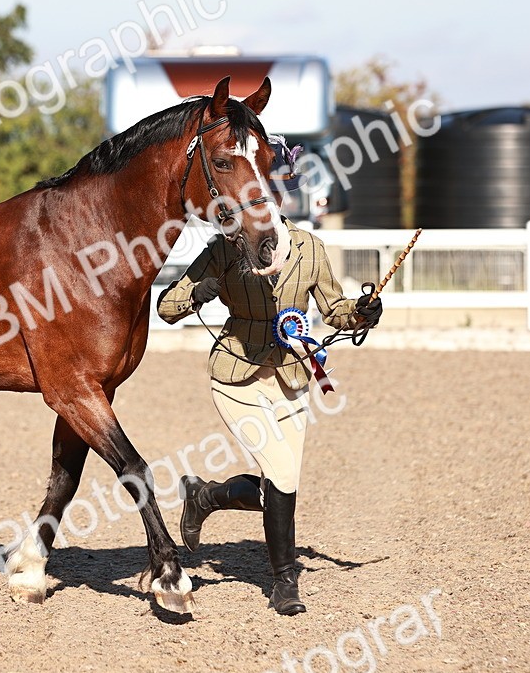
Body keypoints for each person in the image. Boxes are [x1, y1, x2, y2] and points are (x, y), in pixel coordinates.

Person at [156, 142, 382, 615]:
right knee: (282, 474)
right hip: (235, 376)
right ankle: (284, 580)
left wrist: (362, 313)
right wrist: (201, 291)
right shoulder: (224, 249)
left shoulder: (310, 249)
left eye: (271, 195)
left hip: (292, 377)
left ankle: (205, 495)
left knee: (279, 481)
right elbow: (167, 307)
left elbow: (334, 310)